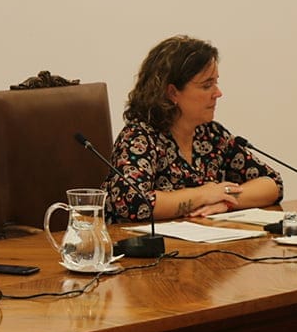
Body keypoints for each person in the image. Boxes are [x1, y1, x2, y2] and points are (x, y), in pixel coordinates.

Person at [104, 35, 283, 222]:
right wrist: (203, 195)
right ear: (172, 92)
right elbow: (133, 201)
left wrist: (227, 199)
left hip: (201, 244)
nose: (218, 93)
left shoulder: (211, 135)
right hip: (141, 247)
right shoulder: (139, 138)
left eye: (216, 82)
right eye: (207, 85)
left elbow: (272, 184)